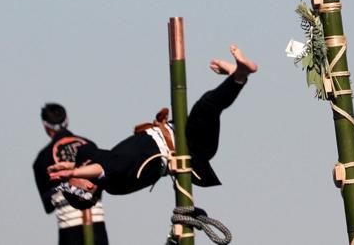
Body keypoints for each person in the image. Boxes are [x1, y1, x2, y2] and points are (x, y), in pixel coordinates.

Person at [48, 46, 257, 199]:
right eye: (71, 182)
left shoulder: (96, 161)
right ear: (87, 186)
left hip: (180, 131)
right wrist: (73, 172)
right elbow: (102, 168)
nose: (68, 179)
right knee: (205, 107)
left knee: (207, 107)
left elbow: (92, 157)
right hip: (191, 148)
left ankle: (237, 75)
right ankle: (239, 76)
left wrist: (69, 167)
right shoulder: (113, 181)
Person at [32, 103, 109, 244]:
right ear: (67, 120)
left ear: (45, 126)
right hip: (97, 226)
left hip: (69, 231)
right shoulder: (89, 145)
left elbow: (48, 206)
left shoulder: (42, 159)